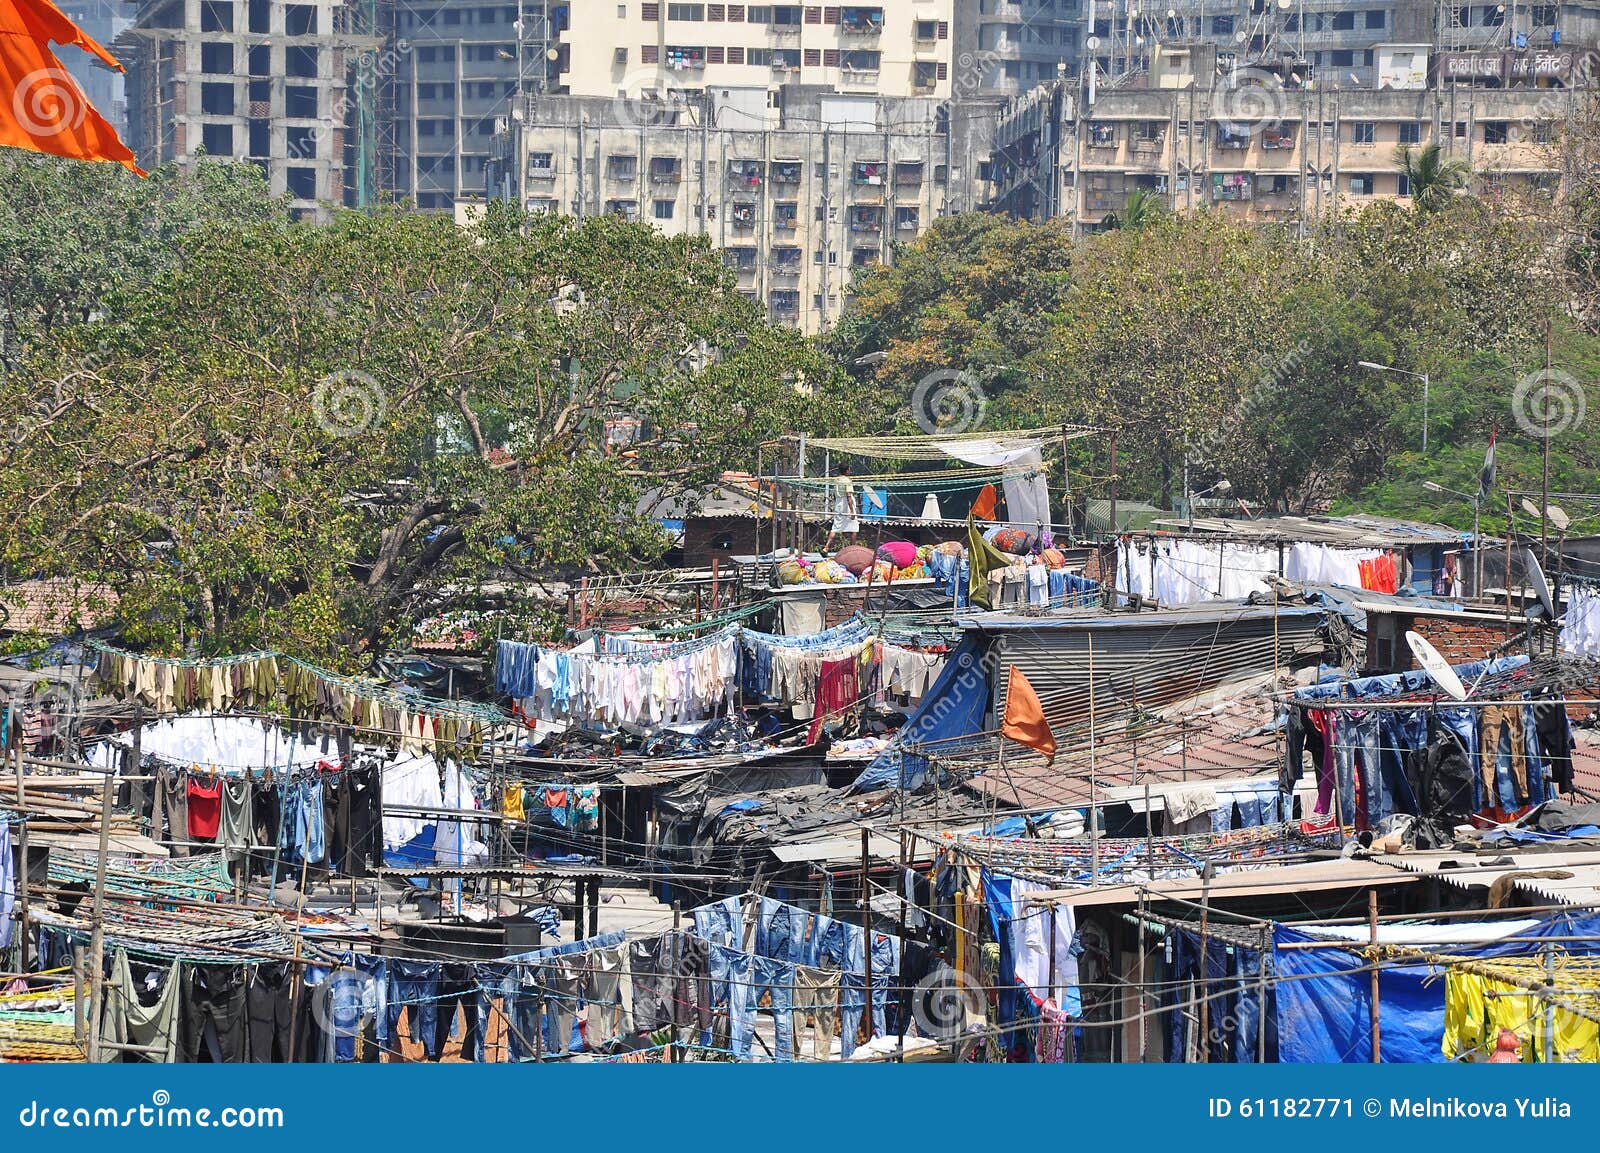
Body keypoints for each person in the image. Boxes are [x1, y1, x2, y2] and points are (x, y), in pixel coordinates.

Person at [823, 463, 859, 552]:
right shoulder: (847, 481)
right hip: (846, 504)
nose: (850, 471)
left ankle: (826, 548)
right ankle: (853, 549)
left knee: (835, 527)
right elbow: (848, 495)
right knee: (854, 527)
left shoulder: (837, 480)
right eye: (849, 470)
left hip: (838, 503)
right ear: (847, 470)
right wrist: (852, 510)